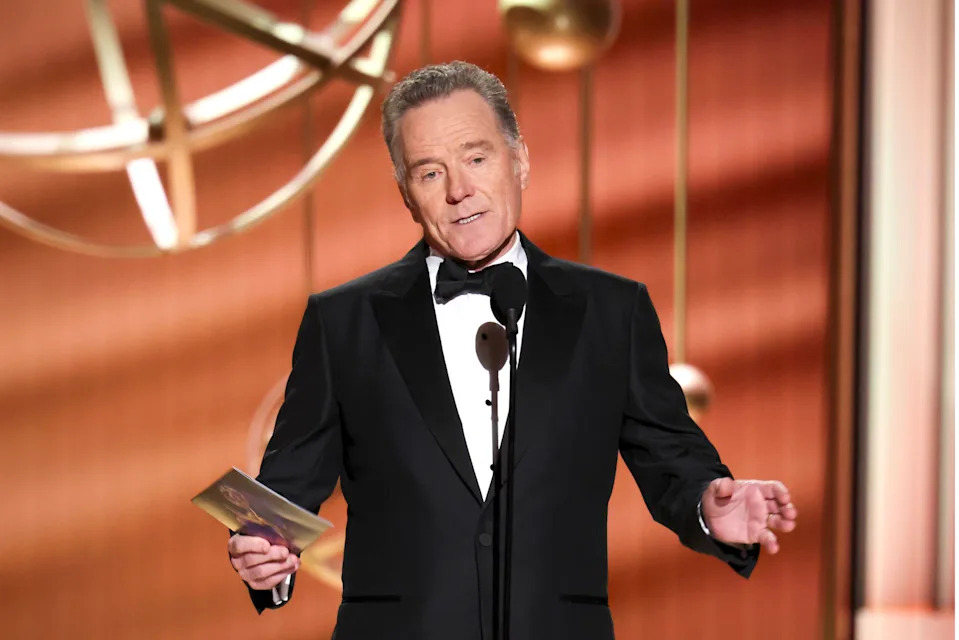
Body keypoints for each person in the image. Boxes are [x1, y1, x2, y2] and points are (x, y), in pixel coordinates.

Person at [226, 61, 798, 639]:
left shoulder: (610, 312)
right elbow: (282, 495)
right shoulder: (343, 322)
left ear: (520, 159)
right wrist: (260, 550)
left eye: (476, 159)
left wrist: (708, 507)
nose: (458, 191)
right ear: (406, 195)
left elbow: (672, 458)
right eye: (430, 172)